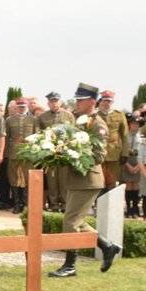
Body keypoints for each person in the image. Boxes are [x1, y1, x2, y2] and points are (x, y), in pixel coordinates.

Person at [49, 83, 121, 278]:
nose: (77, 103)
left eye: (81, 100)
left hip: (88, 180)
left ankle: (70, 265)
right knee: (78, 222)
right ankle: (108, 246)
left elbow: (99, 155)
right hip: (76, 179)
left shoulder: (98, 124)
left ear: (91, 102)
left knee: (70, 221)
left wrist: (73, 155)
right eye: (77, 99)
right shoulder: (80, 121)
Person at [38, 91, 75, 211]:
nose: (54, 104)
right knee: (52, 179)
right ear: (48, 103)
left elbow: (73, 133)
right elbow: (39, 135)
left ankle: (64, 204)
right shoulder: (42, 117)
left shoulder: (69, 116)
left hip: (64, 152)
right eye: (52, 101)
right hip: (50, 153)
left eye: (56, 101)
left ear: (60, 102)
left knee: (64, 179)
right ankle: (53, 204)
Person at [5, 98, 39, 214]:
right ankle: (16, 204)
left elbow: (37, 137)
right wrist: (5, 154)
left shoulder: (33, 120)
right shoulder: (9, 120)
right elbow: (6, 137)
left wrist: (36, 153)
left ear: (27, 107)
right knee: (14, 178)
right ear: (16, 107)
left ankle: (25, 204)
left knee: (27, 178)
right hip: (14, 153)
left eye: (23, 107)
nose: (22, 108)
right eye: (19, 107)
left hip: (28, 153)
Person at [96, 91, 128, 195]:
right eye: (105, 100)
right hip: (99, 152)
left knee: (113, 180)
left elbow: (125, 135)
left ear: (113, 102)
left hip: (114, 153)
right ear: (101, 101)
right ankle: (98, 203)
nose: (107, 103)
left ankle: (111, 204)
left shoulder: (119, 115)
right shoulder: (96, 114)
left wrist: (125, 153)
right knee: (99, 180)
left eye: (109, 101)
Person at [122, 114, 142, 218]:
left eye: (137, 124)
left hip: (139, 161)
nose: (135, 126)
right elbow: (122, 150)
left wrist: (139, 165)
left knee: (136, 185)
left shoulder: (142, 135)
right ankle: (129, 209)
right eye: (133, 123)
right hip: (128, 160)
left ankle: (135, 208)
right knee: (129, 185)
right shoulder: (125, 135)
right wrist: (127, 165)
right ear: (129, 124)